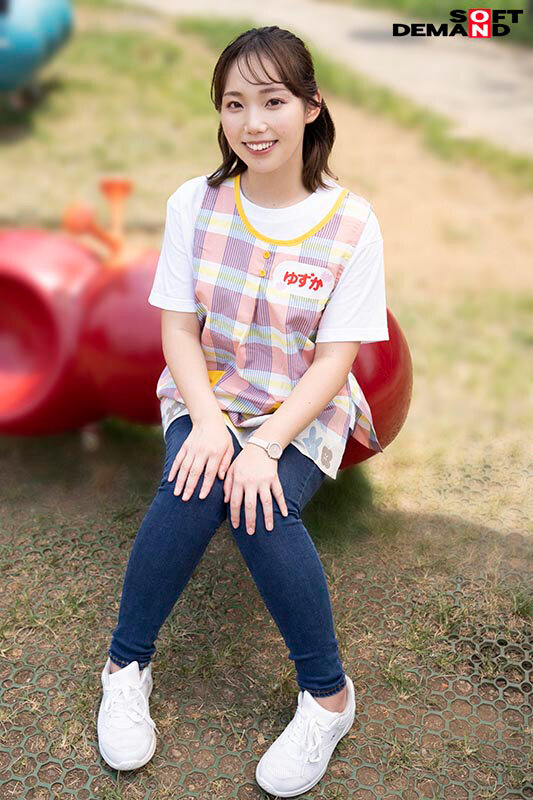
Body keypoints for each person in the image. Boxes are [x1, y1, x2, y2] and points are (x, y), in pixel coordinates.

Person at [97, 24, 389, 797]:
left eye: (272, 101)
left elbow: (335, 361)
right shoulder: (193, 204)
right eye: (234, 104)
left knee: (256, 504)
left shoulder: (352, 224)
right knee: (194, 484)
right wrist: (210, 425)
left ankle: (328, 698)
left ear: (311, 106)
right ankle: (124, 667)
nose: (252, 123)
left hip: (302, 407)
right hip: (207, 393)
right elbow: (178, 331)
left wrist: (262, 446)